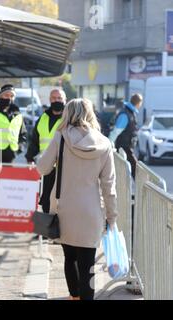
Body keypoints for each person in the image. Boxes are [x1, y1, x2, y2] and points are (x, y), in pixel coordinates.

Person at [37, 98, 118, 300]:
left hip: (64, 210)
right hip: (92, 212)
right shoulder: (105, 144)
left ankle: (74, 297)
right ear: (90, 114)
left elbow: (42, 168)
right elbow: (109, 186)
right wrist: (112, 217)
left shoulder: (60, 137)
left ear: (67, 114)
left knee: (69, 258)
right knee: (88, 264)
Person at [25, 88, 66, 213]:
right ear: (49, 100)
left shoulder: (68, 118)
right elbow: (35, 139)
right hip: (47, 164)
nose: (56, 100)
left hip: (64, 165)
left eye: (59, 98)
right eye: (53, 98)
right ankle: (46, 227)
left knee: (61, 198)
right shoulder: (43, 117)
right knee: (46, 197)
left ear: (65, 100)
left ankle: (59, 226)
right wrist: (30, 157)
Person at [0, 84, 26, 163]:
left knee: (9, 175)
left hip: (12, 156)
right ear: (0, 96)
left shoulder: (18, 114)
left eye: (12, 96)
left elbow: (22, 134)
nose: (9, 98)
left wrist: (20, 148)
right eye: (6, 95)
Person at [108, 93, 143, 179]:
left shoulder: (129, 113)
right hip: (123, 147)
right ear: (139, 103)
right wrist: (108, 144)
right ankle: (138, 191)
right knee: (135, 169)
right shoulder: (125, 114)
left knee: (132, 169)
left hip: (126, 147)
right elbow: (116, 131)